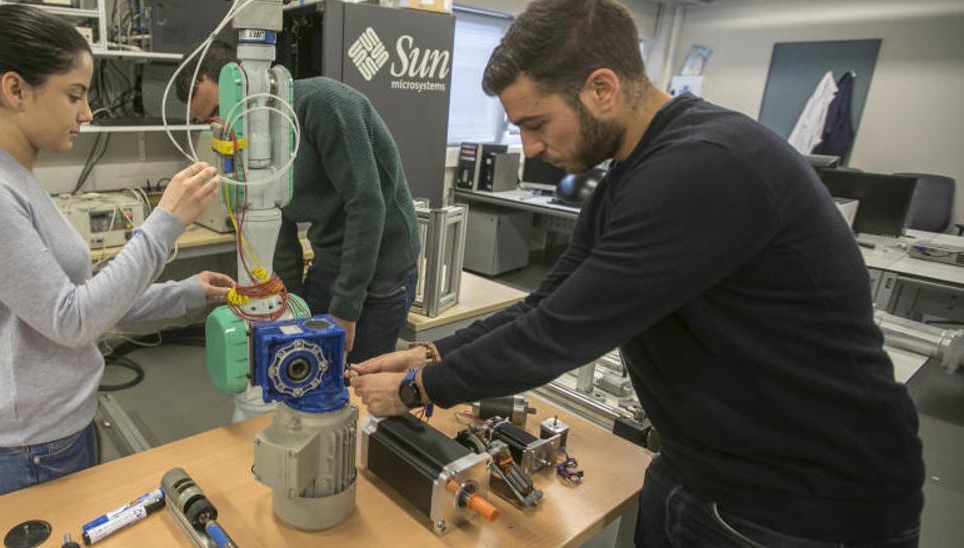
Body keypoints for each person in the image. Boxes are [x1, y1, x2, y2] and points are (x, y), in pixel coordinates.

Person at [351, 0, 923, 545]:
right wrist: (433, 354)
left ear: (602, 87)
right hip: (696, 470)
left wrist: (419, 389)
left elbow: (562, 334)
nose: (529, 148)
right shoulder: (631, 171)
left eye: (536, 123)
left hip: (803, 503)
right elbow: (545, 304)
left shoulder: (706, 165)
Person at [0, 5, 234, 504]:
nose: (87, 113)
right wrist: (164, 223)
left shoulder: (10, 175)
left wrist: (184, 293)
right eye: (74, 95)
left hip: (54, 431)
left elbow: (78, 299)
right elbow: (73, 320)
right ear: (14, 90)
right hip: (22, 450)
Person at [177, 41, 420, 363]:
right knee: (307, 364)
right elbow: (279, 225)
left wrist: (346, 310)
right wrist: (287, 306)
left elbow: (367, 206)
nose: (221, 127)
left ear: (240, 83)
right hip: (331, 258)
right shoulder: (249, 140)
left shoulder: (324, 104)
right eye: (209, 122)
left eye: (218, 113)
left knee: (360, 380)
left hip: (381, 267)